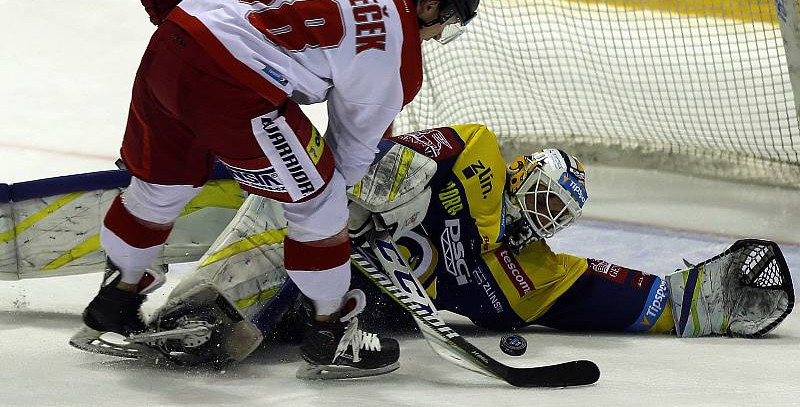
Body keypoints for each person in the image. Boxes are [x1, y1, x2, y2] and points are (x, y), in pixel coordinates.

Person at [69, 0, 481, 380]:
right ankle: (330, 332)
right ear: (431, 4)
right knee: (321, 207)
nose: (439, 34)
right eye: (448, 23)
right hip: (235, 85)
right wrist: (329, 214)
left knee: (159, 187)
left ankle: (117, 298)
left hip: (175, 39)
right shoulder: (397, 57)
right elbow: (346, 161)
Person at [145, 123, 793, 367]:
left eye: (552, 216)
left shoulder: (529, 275)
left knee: (313, 311)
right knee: (306, 214)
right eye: (538, 196)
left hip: (350, 303)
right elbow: (375, 158)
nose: (537, 218)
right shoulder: (475, 158)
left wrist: (704, 298)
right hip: (322, 229)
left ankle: (249, 328)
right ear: (519, 174)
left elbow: (633, 296)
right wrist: (366, 207)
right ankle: (204, 303)